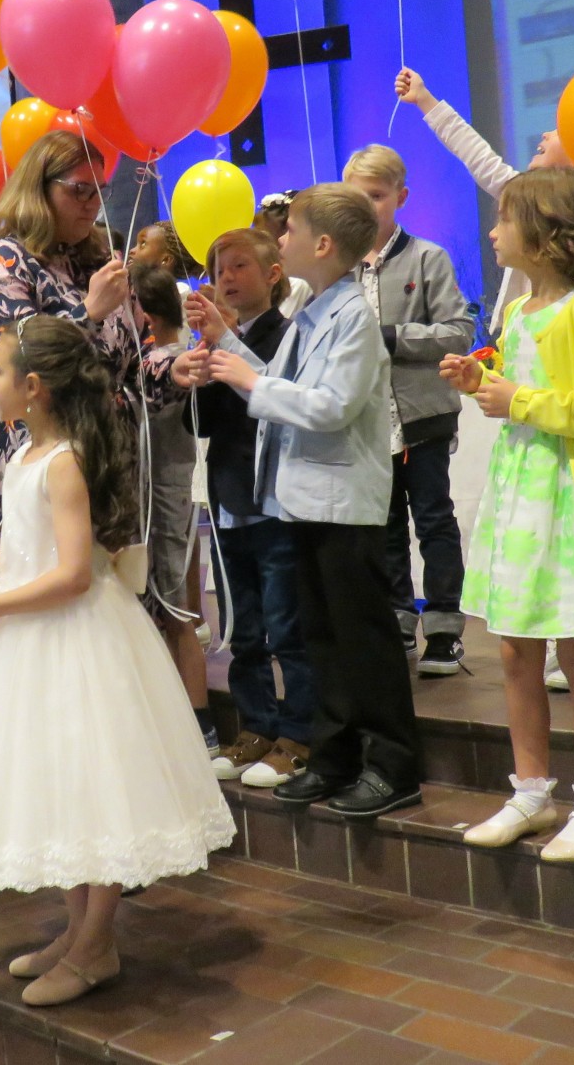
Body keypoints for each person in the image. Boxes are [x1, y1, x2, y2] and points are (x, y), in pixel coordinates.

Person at [0, 317, 233, 1008]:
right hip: (34, 633)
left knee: (92, 783)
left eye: (0, 369)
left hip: (76, 636)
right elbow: (29, 550)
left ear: (33, 387)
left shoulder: (67, 460)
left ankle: (97, 942)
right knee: (60, 788)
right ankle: (76, 929)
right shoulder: (21, 456)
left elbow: (76, 572)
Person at [398, 66, 574, 692]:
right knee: (539, 552)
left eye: (547, 140)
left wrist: (563, 329)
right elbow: (478, 156)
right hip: (530, 446)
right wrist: (484, 372)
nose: (537, 139)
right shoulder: (518, 304)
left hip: (566, 422)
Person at [189, 184, 423, 820]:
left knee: (363, 640)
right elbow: (283, 382)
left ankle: (395, 764)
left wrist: (249, 378)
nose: (279, 238)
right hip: (302, 502)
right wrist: (228, 343)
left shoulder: (354, 318)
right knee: (322, 641)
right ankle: (337, 754)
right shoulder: (316, 310)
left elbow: (329, 407)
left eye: (289, 230)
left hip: (342, 504)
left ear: (322, 245)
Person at [443, 168, 574, 862]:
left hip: (573, 497)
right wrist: (483, 382)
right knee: (513, 647)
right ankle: (532, 790)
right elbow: (521, 384)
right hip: (524, 491)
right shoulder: (518, 312)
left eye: (504, 220)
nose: (494, 232)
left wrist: (520, 400)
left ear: (543, 234)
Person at [0, 130, 201, 521]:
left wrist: (173, 369)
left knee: (115, 579)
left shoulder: (101, 261)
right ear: (40, 190)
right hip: (39, 459)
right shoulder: (6, 262)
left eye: (100, 192)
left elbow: (135, 365)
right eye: (79, 191)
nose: (93, 205)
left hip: (111, 462)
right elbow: (11, 364)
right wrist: (87, 314)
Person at [342, 144, 476, 676]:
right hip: (365, 419)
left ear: (401, 197)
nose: (367, 206)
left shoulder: (428, 258)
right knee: (385, 522)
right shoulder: (339, 266)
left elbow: (459, 331)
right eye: (356, 196)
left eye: (376, 196)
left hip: (422, 415)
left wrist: (390, 336)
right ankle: (398, 613)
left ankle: (444, 626)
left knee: (435, 518)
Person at [188, 228, 312, 788]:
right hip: (231, 497)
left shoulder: (288, 335)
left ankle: (298, 735)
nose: (228, 278)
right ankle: (257, 728)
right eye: (220, 268)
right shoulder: (216, 338)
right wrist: (197, 370)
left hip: (275, 501)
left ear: (273, 275)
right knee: (243, 629)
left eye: (240, 266)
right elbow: (201, 425)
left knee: (287, 627)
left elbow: (275, 395)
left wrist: (226, 344)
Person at [129, 260, 213, 749]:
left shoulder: (173, 361)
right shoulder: (143, 359)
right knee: (159, 608)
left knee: (177, 611)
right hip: (147, 492)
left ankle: (200, 727)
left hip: (168, 490)